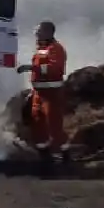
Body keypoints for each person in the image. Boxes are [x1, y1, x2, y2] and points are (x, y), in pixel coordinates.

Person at [17, 20, 70, 167]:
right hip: (38, 94)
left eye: (38, 30)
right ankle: (44, 156)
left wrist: (32, 68)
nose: (36, 32)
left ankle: (64, 156)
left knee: (54, 126)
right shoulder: (41, 48)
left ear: (47, 32)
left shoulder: (56, 48)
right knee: (38, 124)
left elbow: (55, 69)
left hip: (52, 95)